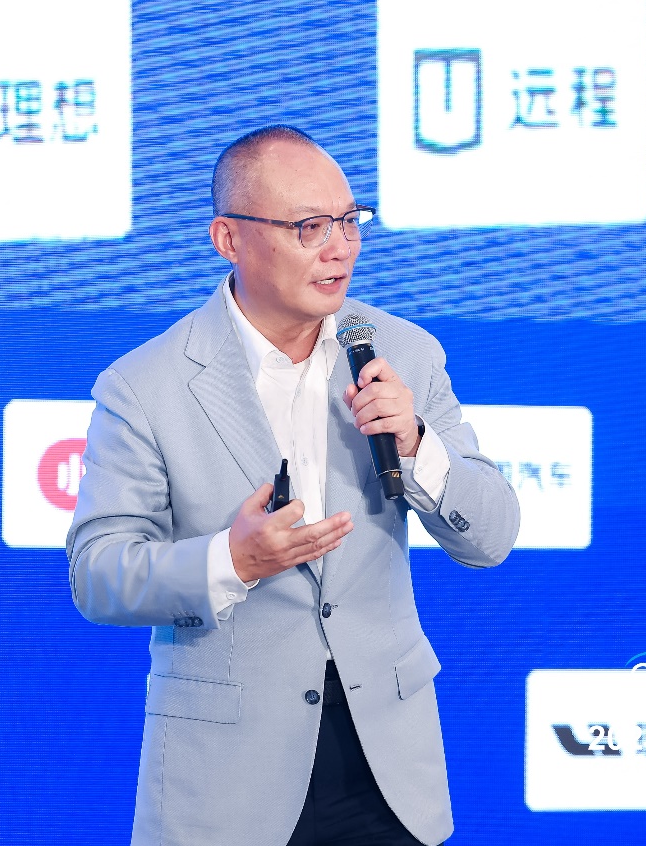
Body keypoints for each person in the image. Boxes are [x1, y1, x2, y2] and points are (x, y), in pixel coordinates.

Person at [67, 125, 519, 846]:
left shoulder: (402, 352)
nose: (339, 248)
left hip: (386, 773)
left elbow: (491, 538)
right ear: (229, 238)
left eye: (349, 221)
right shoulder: (144, 385)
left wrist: (416, 445)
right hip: (225, 782)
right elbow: (99, 576)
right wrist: (232, 560)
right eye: (310, 227)